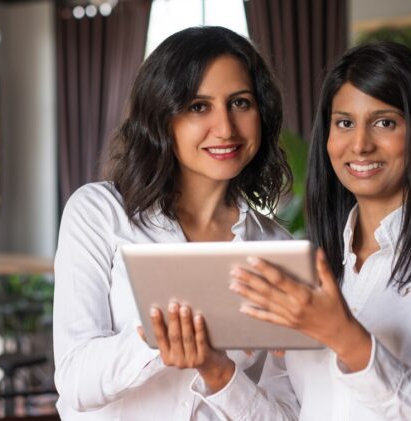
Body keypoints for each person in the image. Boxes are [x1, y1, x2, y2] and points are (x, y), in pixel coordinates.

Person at [189, 42, 411, 420]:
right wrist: (215, 370)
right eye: (344, 123)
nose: (360, 145)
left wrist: (343, 336)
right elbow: (287, 414)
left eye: (385, 122)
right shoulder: (309, 266)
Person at [53, 26, 292, 420]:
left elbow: (284, 414)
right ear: (162, 116)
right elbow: (75, 381)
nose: (226, 128)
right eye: (199, 106)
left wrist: (220, 372)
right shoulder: (98, 213)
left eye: (240, 102)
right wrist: (158, 338)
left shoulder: (276, 249)